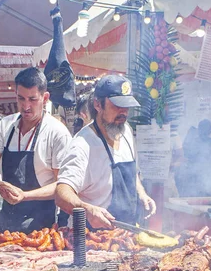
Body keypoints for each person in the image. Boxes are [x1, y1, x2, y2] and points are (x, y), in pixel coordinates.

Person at [55, 75, 156, 229]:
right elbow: (62, 194)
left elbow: (132, 173)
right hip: (92, 239)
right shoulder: (82, 145)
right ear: (97, 104)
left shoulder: (126, 131)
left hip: (125, 234)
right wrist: (87, 210)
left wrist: (141, 193)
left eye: (126, 107)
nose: (123, 112)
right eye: (117, 106)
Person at [0, 67, 71, 232]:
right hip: (6, 222)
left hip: (42, 226)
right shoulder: (5, 126)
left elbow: (62, 186)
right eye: (21, 98)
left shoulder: (57, 132)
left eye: (32, 99)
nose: (26, 106)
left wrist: (25, 196)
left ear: (45, 97)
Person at [176, 119, 211, 197]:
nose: (203, 132)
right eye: (202, 129)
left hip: (207, 180)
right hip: (196, 181)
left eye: (204, 129)